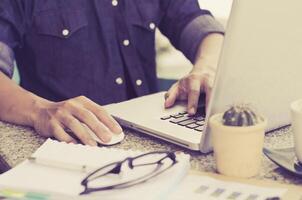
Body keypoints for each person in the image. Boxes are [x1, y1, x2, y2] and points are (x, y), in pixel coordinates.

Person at [0, 0, 224, 146]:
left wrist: (206, 68)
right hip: (70, 146)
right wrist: (40, 111)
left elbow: (201, 26)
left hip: (154, 143)